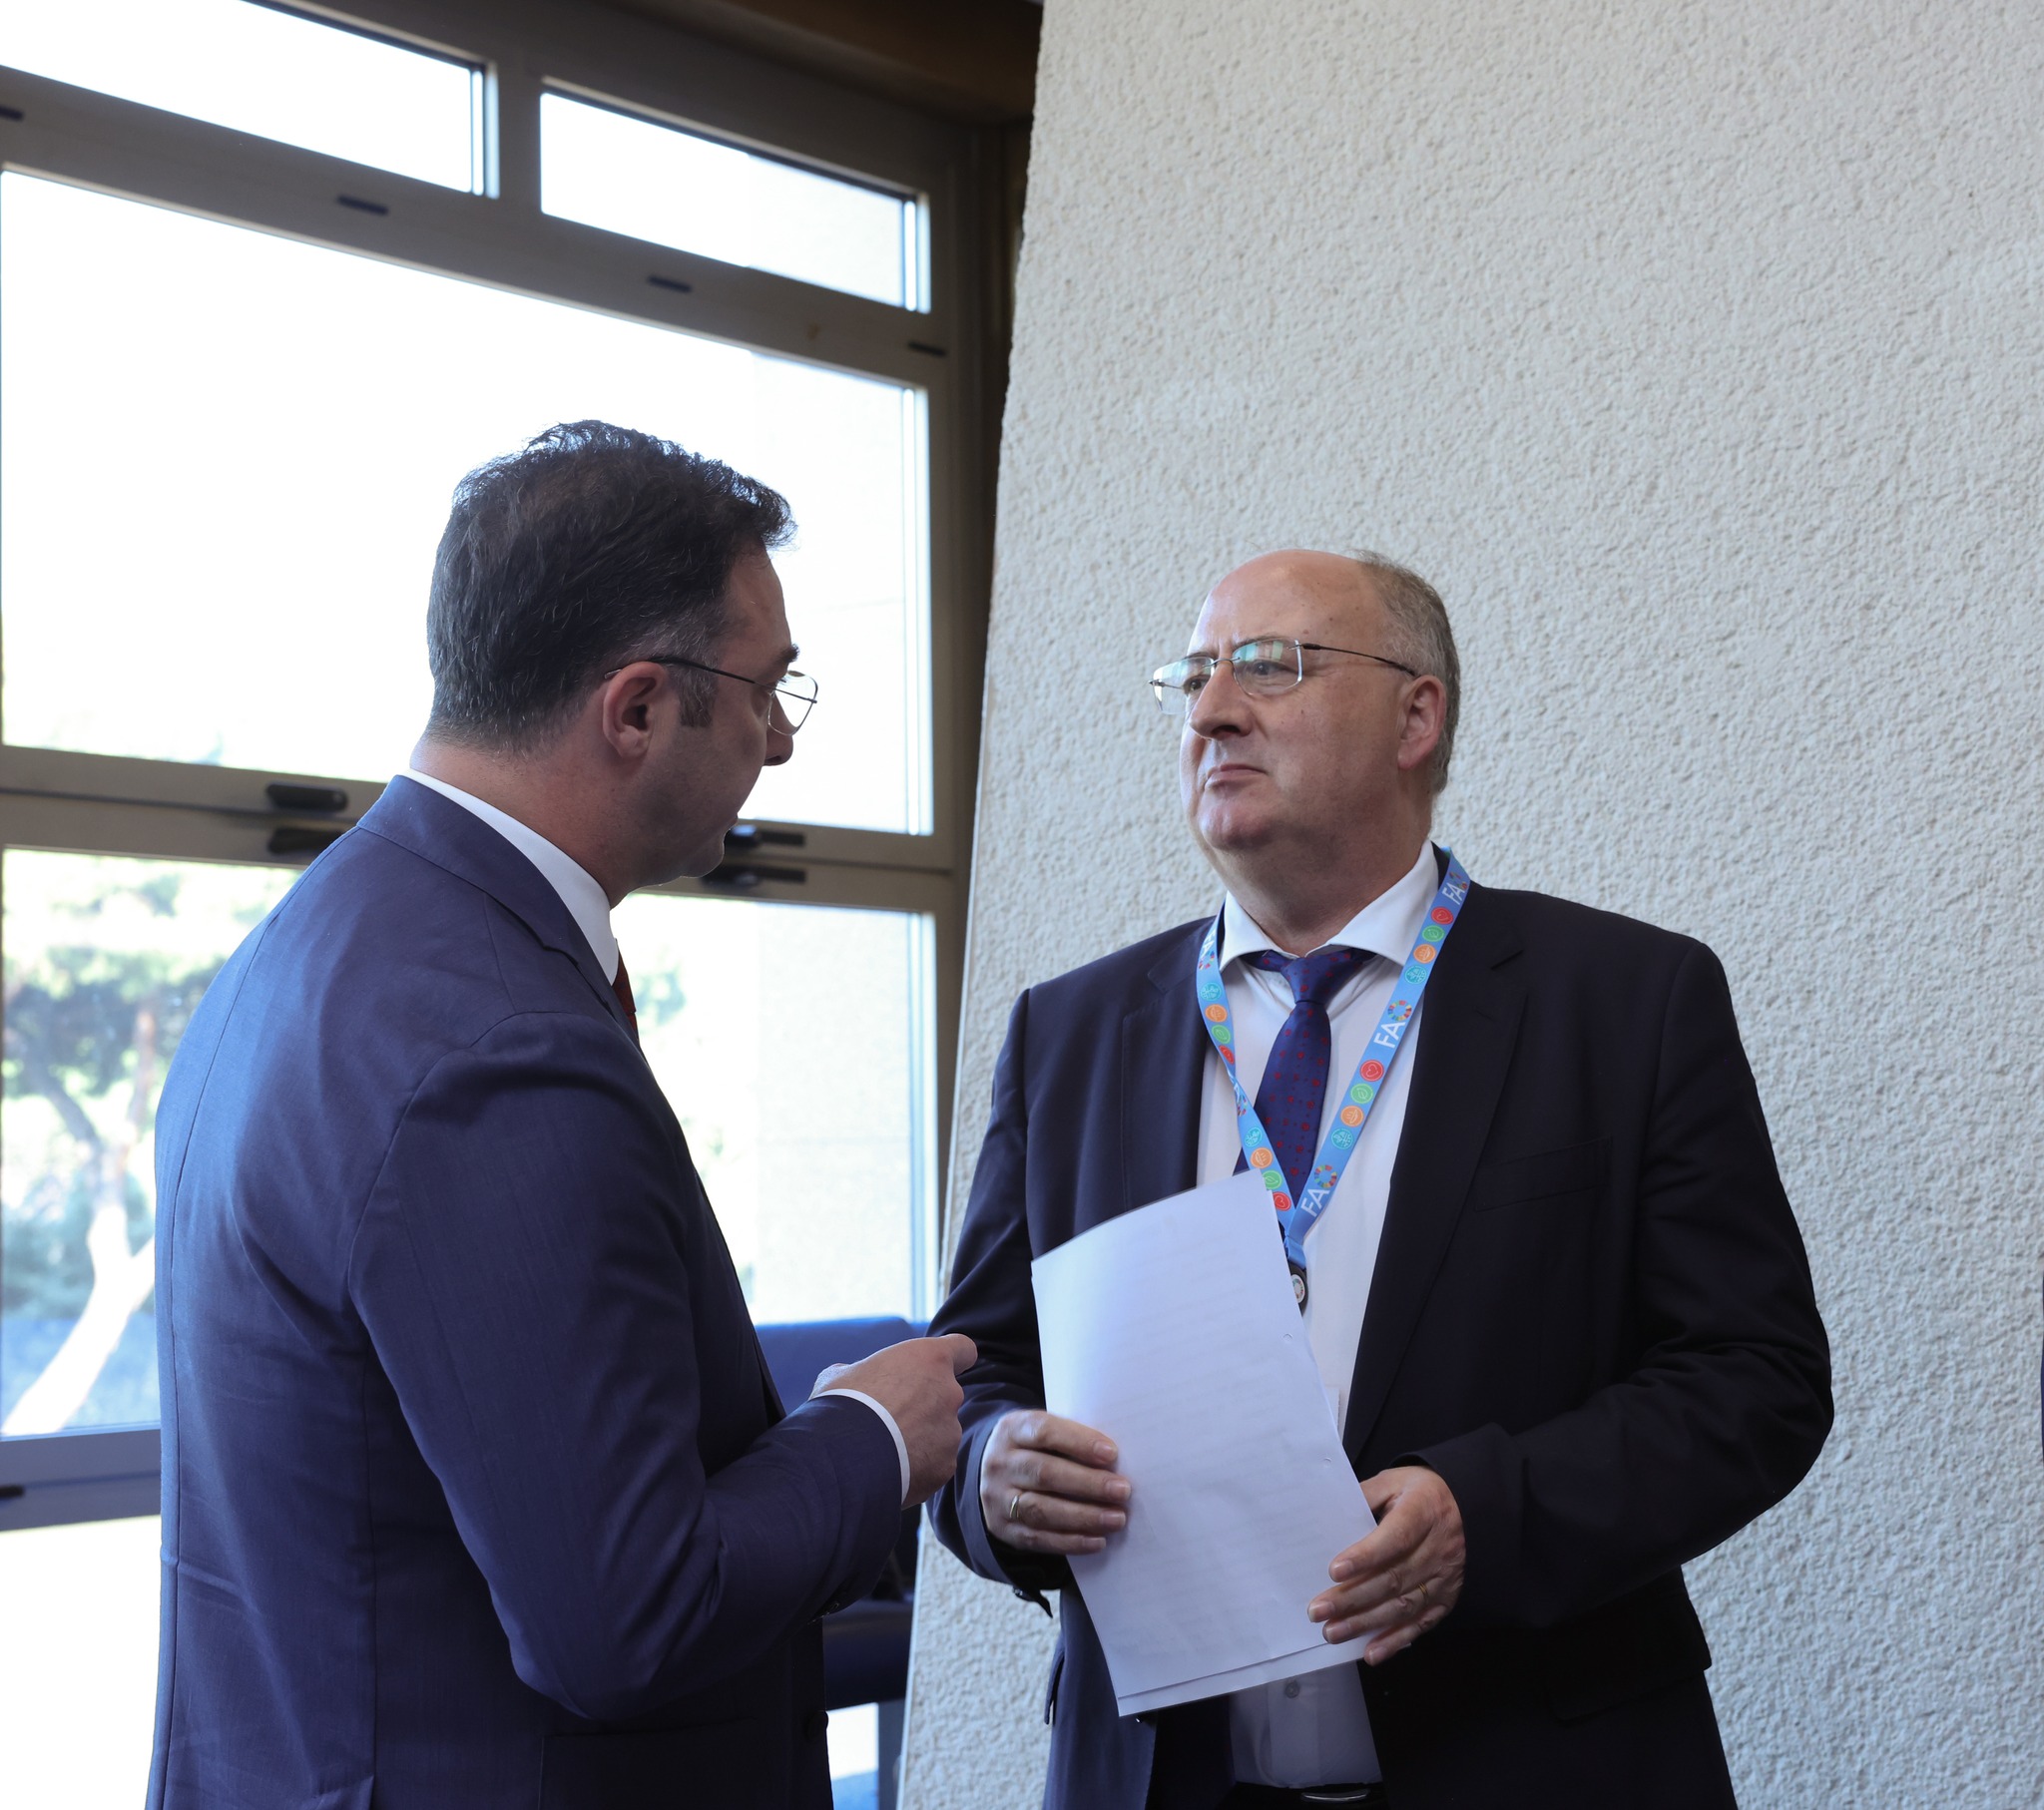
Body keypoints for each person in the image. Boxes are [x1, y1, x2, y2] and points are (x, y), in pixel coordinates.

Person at [148, 421, 974, 1810]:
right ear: (637, 708)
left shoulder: (309, 945)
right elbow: (626, 1618)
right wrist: (869, 1437)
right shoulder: (500, 1049)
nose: (780, 740)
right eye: (769, 689)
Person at [927, 550, 1831, 1810]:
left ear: (1417, 716)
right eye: (1192, 676)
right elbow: (973, 1373)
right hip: (1160, 1775)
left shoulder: (1624, 1002)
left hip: (1525, 1760)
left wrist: (1489, 1510)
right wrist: (989, 1475)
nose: (1210, 711)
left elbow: (1754, 1377)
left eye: (1268, 666)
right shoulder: (1069, 1033)